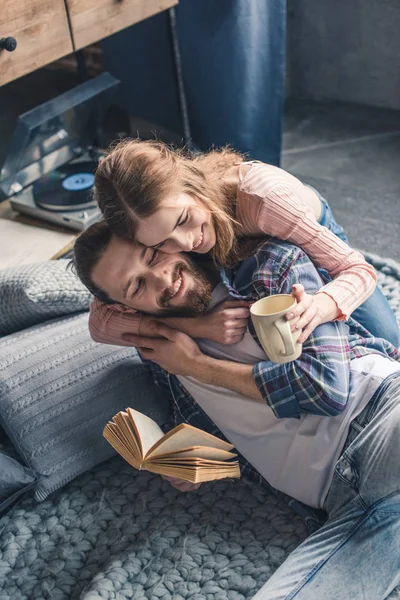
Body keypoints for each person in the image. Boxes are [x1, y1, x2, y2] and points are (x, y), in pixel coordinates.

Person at [73, 220, 400, 599]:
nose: (163, 278)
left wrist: (195, 365)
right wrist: (196, 465)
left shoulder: (268, 266)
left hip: (378, 418)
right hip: (341, 500)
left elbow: (326, 389)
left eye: (154, 254)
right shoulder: (159, 353)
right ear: (124, 307)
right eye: (137, 285)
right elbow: (239, 435)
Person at [88, 139, 399, 348]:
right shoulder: (138, 219)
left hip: (299, 225)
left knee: (389, 342)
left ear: (192, 185)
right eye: (159, 244)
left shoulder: (265, 199)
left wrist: (318, 307)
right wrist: (195, 327)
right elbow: (101, 322)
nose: (186, 243)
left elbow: (358, 270)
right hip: (239, 249)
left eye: (183, 220)